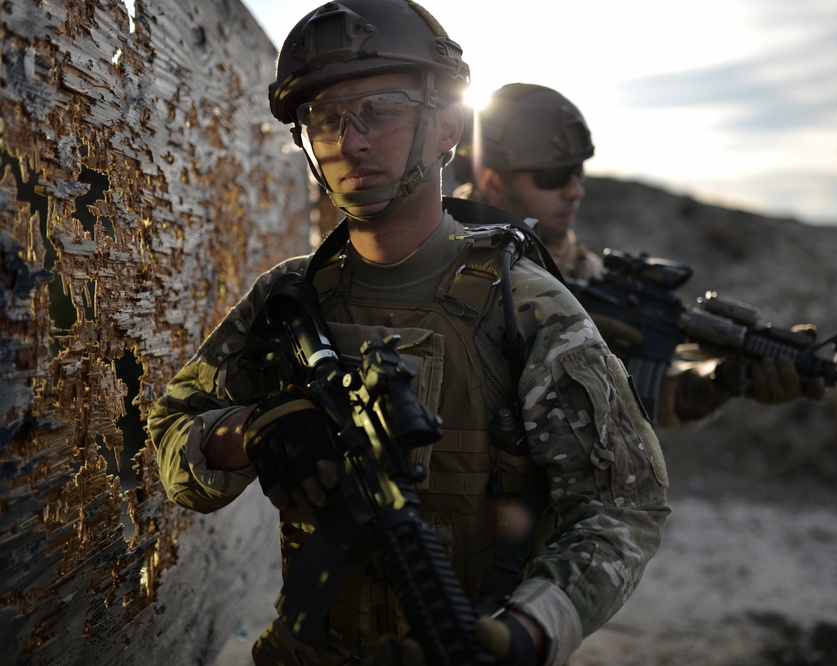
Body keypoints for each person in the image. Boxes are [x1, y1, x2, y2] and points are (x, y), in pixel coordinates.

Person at [147, 3, 669, 666]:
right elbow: (170, 432)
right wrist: (249, 432)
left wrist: (526, 634)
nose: (349, 141)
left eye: (380, 110)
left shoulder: (528, 308)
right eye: (323, 119)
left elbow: (624, 509)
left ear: (447, 125)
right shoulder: (289, 297)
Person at [454, 83, 825, 429]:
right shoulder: (443, 260)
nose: (575, 190)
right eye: (553, 176)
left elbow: (647, 396)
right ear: (492, 182)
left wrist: (721, 381)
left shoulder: (586, 271)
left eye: (578, 170)